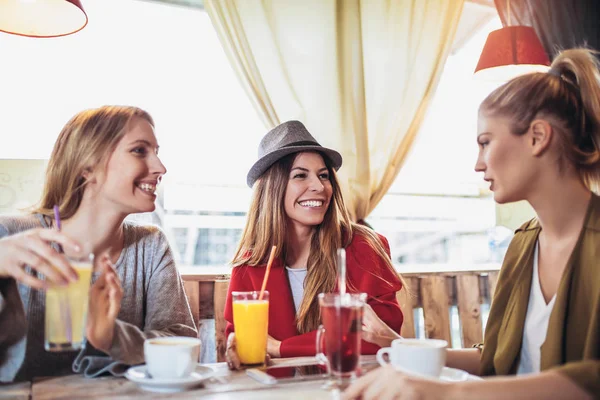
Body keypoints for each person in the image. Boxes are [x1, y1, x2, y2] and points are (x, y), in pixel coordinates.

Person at [343, 48, 600, 400]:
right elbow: (495, 357)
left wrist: (447, 394)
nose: (478, 165)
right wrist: (398, 346)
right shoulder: (524, 244)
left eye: (485, 143)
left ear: (538, 137)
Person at [0, 106, 197, 382]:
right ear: (87, 167)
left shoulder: (150, 247)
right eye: (140, 150)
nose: (160, 167)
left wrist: (111, 337)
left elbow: (182, 343)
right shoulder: (9, 237)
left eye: (156, 151)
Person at [224, 121, 404, 368]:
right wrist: (237, 349)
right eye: (300, 175)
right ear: (272, 188)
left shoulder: (364, 247)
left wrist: (280, 348)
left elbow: (379, 335)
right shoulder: (250, 264)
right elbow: (239, 338)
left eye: (324, 176)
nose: (319, 187)